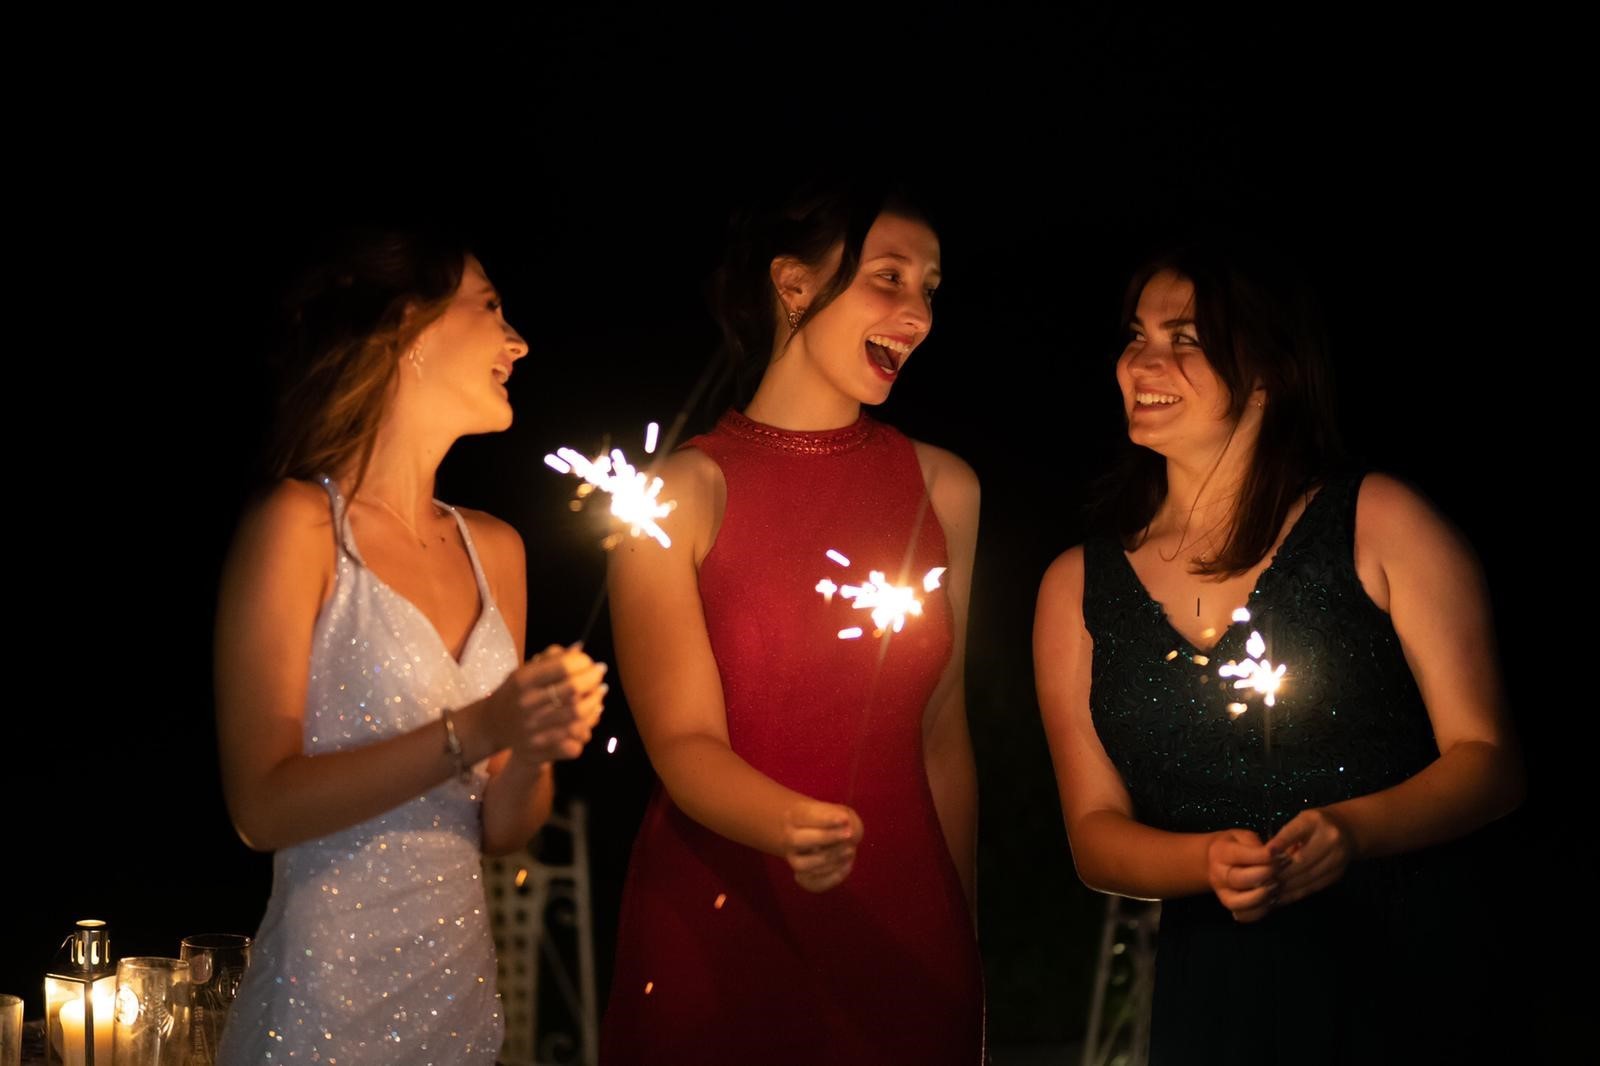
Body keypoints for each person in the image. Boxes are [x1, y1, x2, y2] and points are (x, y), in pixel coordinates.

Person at [1033, 242, 1525, 1064]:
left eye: (1185, 337)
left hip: (1397, 979)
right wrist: (1206, 862)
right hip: (1216, 992)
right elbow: (1093, 835)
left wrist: (1350, 831)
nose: (1143, 360)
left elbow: (1490, 760)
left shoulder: (1378, 523)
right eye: (1137, 333)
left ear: (1268, 370)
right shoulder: (1074, 588)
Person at [599, 184, 984, 1064]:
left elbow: (942, 737)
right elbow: (685, 741)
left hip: (905, 925)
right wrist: (790, 826)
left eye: (931, 287)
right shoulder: (675, 495)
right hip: (719, 923)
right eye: (890, 278)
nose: (917, 313)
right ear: (796, 285)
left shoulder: (946, 489)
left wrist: (964, 938)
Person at [213, 230, 607, 1063]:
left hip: (459, 1012)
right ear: (408, 331)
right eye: (491, 306)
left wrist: (532, 748)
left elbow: (501, 829)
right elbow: (262, 806)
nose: (519, 340)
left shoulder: (496, 548)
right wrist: (483, 725)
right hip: (320, 1015)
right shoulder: (298, 528)